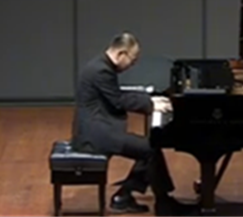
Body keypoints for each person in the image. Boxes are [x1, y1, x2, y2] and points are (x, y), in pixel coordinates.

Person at [70, 32, 194, 215]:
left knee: (149, 148)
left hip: (97, 128)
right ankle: (162, 203)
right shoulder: (101, 71)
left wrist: (150, 99)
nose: (133, 65)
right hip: (96, 135)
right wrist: (151, 105)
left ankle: (126, 196)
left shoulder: (100, 65)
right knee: (150, 149)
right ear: (121, 53)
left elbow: (117, 94)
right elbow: (118, 100)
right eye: (133, 60)